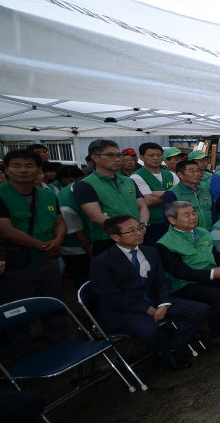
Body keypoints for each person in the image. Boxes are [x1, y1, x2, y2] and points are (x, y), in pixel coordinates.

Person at [88, 215, 209, 370]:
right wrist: (148, 310)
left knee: (200, 309)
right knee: (151, 330)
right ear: (115, 237)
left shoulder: (150, 251)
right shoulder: (102, 262)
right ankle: (166, 352)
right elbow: (113, 296)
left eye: (140, 228)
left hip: (154, 300)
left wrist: (164, 304)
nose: (139, 233)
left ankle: (169, 349)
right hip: (123, 309)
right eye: (131, 231)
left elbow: (162, 281)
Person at [156, 200, 220, 347]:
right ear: (172, 220)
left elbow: (216, 253)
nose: (193, 217)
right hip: (186, 284)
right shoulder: (164, 244)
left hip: (211, 275)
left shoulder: (202, 232)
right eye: (187, 215)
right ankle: (219, 334)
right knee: (218, 295)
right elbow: (180, 272)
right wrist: (213, 274)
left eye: (194, 213)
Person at [0, 149, 68, 347]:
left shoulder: (47, 195)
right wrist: (43, 245)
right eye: (16, 166)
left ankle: (60, 345)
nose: (23, 170)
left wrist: (57, 241)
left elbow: (59, 221)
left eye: (29, 165)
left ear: (39, 169)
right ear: (7, 170)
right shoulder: (2, 195)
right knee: (17, 311)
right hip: (16, 264)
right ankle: (23, 351)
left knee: (54, 305)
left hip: (48, 261)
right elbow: (5, 229)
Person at [74, 140, 150, 256]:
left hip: (137, 236)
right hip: (108, 239)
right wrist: (126, 232)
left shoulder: (128, 181)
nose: (117, 159)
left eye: (118, 155)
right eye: (111, 155)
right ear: (95, 157)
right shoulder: (85, 184)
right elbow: (95, 216)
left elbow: (142, 207)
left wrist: (142, 227)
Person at [131, 143, 175, 245]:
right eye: (151, 155)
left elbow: (180, 195)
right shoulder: (136, 177)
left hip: (173, 222)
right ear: (141, 157)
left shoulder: (171, 174)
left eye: (158, 155)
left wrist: (154, 193)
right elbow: (148, 201)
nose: (155, 158)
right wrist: (170, 195)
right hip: (153, 224)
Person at [57, 173, 94, 289]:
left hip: (91, 239)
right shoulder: (67, 205)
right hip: (76, 249)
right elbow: (79, 234)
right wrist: (92, 255)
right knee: (85, 278)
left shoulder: (85, 185)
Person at [162, 160, 213, 230]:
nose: (197, 174)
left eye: (198, 171)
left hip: (208, 233)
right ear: (180, 175)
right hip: (187, 234)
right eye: (192, 171)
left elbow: (213, 212)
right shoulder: (172, 194)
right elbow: (169, 220)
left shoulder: (206, 191)